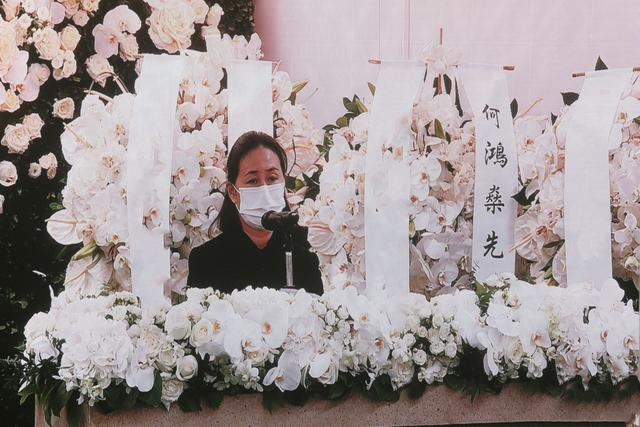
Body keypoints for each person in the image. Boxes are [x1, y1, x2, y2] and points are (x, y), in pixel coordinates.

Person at [186, 131, 324, 295]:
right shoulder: (206, 260)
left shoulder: (304, 260)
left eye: (272, 178)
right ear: (233, 192)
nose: (264, 189)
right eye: (253, 181)